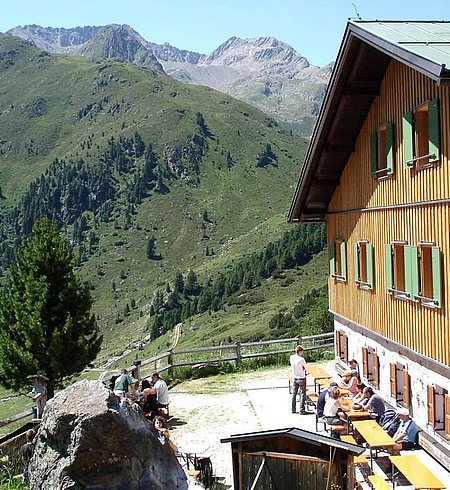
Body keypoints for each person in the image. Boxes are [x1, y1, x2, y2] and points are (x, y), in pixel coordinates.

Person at [290, 345, 308, 414]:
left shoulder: (291, 357)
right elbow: (306, 367)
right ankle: (302, 409)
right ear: (300, 352)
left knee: (294, 393)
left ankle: (293, 409)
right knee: (303, 394)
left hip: (295, 377)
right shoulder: (301, 359)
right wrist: (303, 368)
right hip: (301, 377)